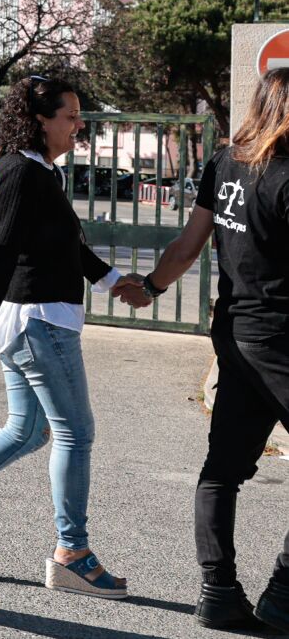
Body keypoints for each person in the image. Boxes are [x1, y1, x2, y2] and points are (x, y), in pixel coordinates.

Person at [0, 76, 146, 597]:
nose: (79, 126)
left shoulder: (42, 171)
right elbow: (2, 250)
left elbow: (66, 245)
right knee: (75, 432)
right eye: (70, 117)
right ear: (39, 120)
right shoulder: (19, 174)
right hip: (38, 323)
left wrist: (111, 280)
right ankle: (72, 553)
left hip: (39, 319)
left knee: (26, 432)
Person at [143, 69, 289, 632]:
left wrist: (152, 287)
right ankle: (283, 592)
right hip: (279, 339)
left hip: (234, 336)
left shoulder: (225, 164)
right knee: (223, 469)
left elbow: (186, 245)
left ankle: (218, 592)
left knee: (222, 470)